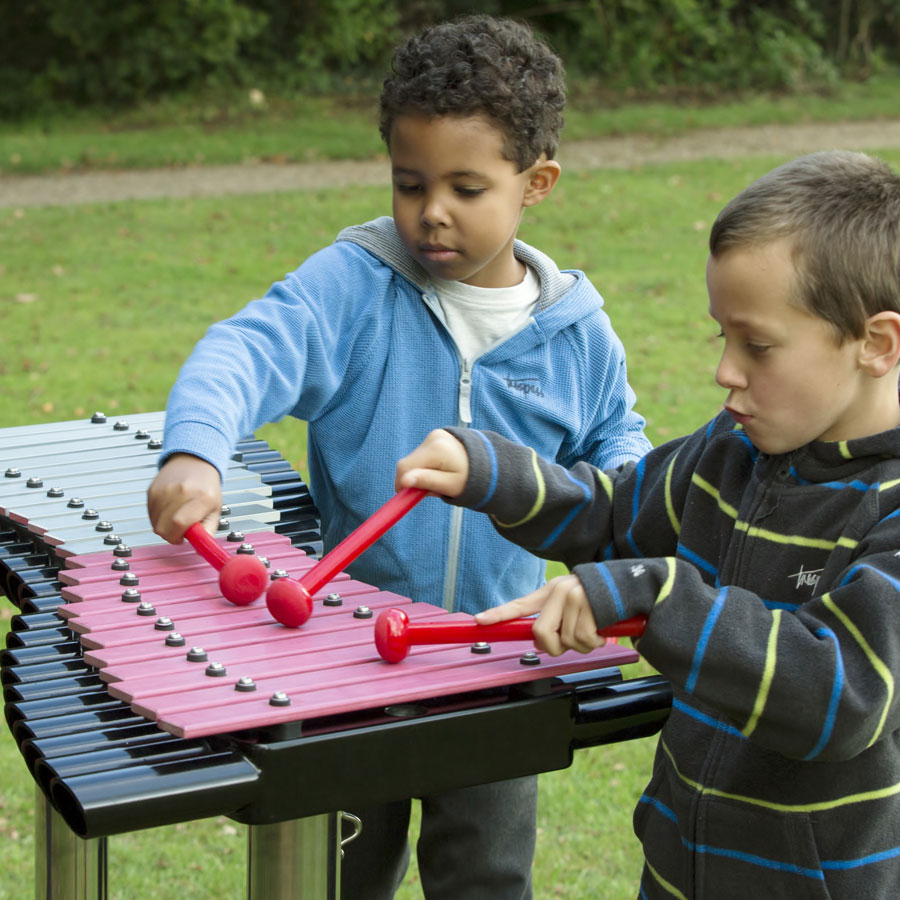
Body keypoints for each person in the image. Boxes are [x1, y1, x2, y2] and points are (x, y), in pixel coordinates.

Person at [147, 14, 650, 899]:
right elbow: (246, 349)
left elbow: (621, 456)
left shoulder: (575, 335)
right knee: (339, 879)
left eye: (465, 186)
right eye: (409, 183)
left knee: (485, 878)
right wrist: (196, 451)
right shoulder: (355, 287)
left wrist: (629, 560)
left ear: (537, 183)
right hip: (341, 658)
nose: (431, 212)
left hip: (497, 657)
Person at [395, 149, 900, 899]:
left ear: (876, 344)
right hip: (677, 869)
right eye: (720, 337)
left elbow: (843, 695)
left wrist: (656, 594)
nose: (727, 371)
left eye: (757, 345)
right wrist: (494, 473)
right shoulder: (732, 449)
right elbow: (612, 520)